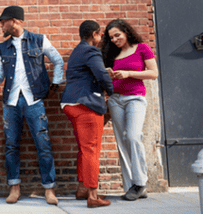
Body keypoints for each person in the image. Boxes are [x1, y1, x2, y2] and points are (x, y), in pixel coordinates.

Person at [0, 6, 63, 205]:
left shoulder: (39, 40)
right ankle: (14, 187)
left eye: (3, 21)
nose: (1, 25)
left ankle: (49, 189)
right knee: (11, 146)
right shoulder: (2, 48)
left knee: (43, 145)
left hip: (34, 100)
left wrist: (55, 85)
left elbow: (58, 61)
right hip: (11, 102)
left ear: (15, 21)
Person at [101, 19, 158, 201]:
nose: (115, 39)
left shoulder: (141, 48)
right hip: (115, 100)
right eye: (111, 37)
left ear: (126, 32)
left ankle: (140, 182)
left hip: (135, 98)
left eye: (118, 35)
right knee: (122, 142)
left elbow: (153, 73)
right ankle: (130, 186)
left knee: (133, 136)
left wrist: (128, 73)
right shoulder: (111, 53)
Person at [60, 20, 113, 208]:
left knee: (84, 148)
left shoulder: (77, 50)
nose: (100, 39)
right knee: (92, 149)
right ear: (95, 34)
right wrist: (111, 92)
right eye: (100, 35)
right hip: (86, 104)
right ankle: (92, 195)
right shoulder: (91, 50)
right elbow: (101, 74)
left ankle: (82, 188)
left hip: (71, 104)